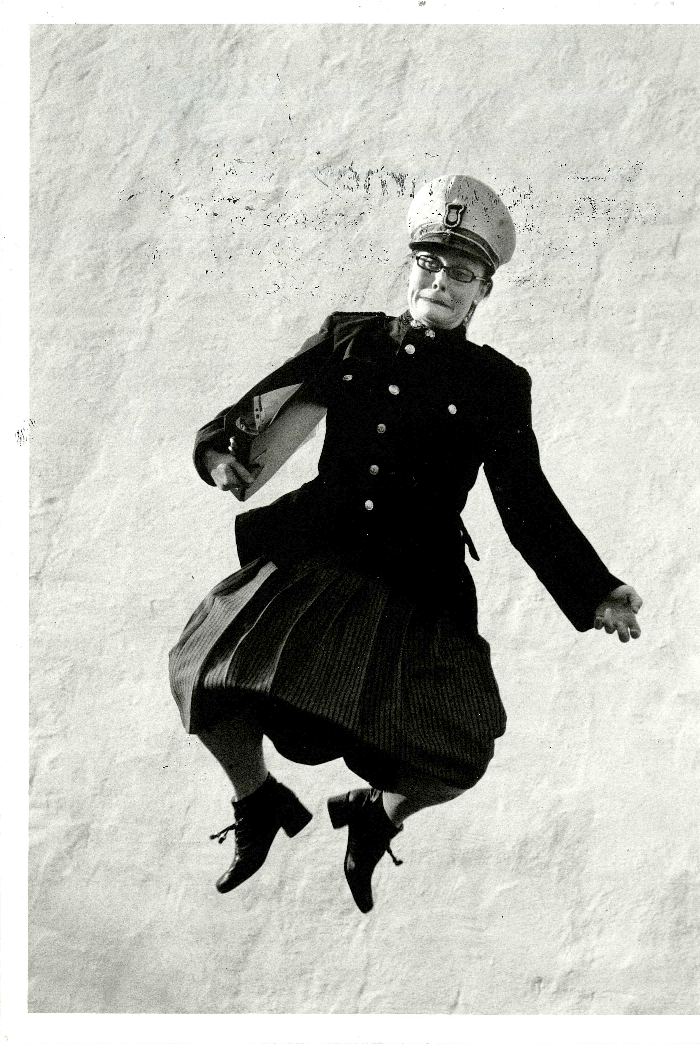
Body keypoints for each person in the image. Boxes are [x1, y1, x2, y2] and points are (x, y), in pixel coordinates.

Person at [169, 174, 642, 913]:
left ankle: (376, 815)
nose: (440, 282)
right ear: (409, 267)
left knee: (456, 749)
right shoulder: (351, 338)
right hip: (318, 552)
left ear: (482, 291)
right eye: (429, 263)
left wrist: (594, 590)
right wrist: (224, 450)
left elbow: (525, 501)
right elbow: (264, 403)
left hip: (417, 580)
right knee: (207, 673)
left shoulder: (496, 383)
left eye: (462, 273)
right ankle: (257, 799)